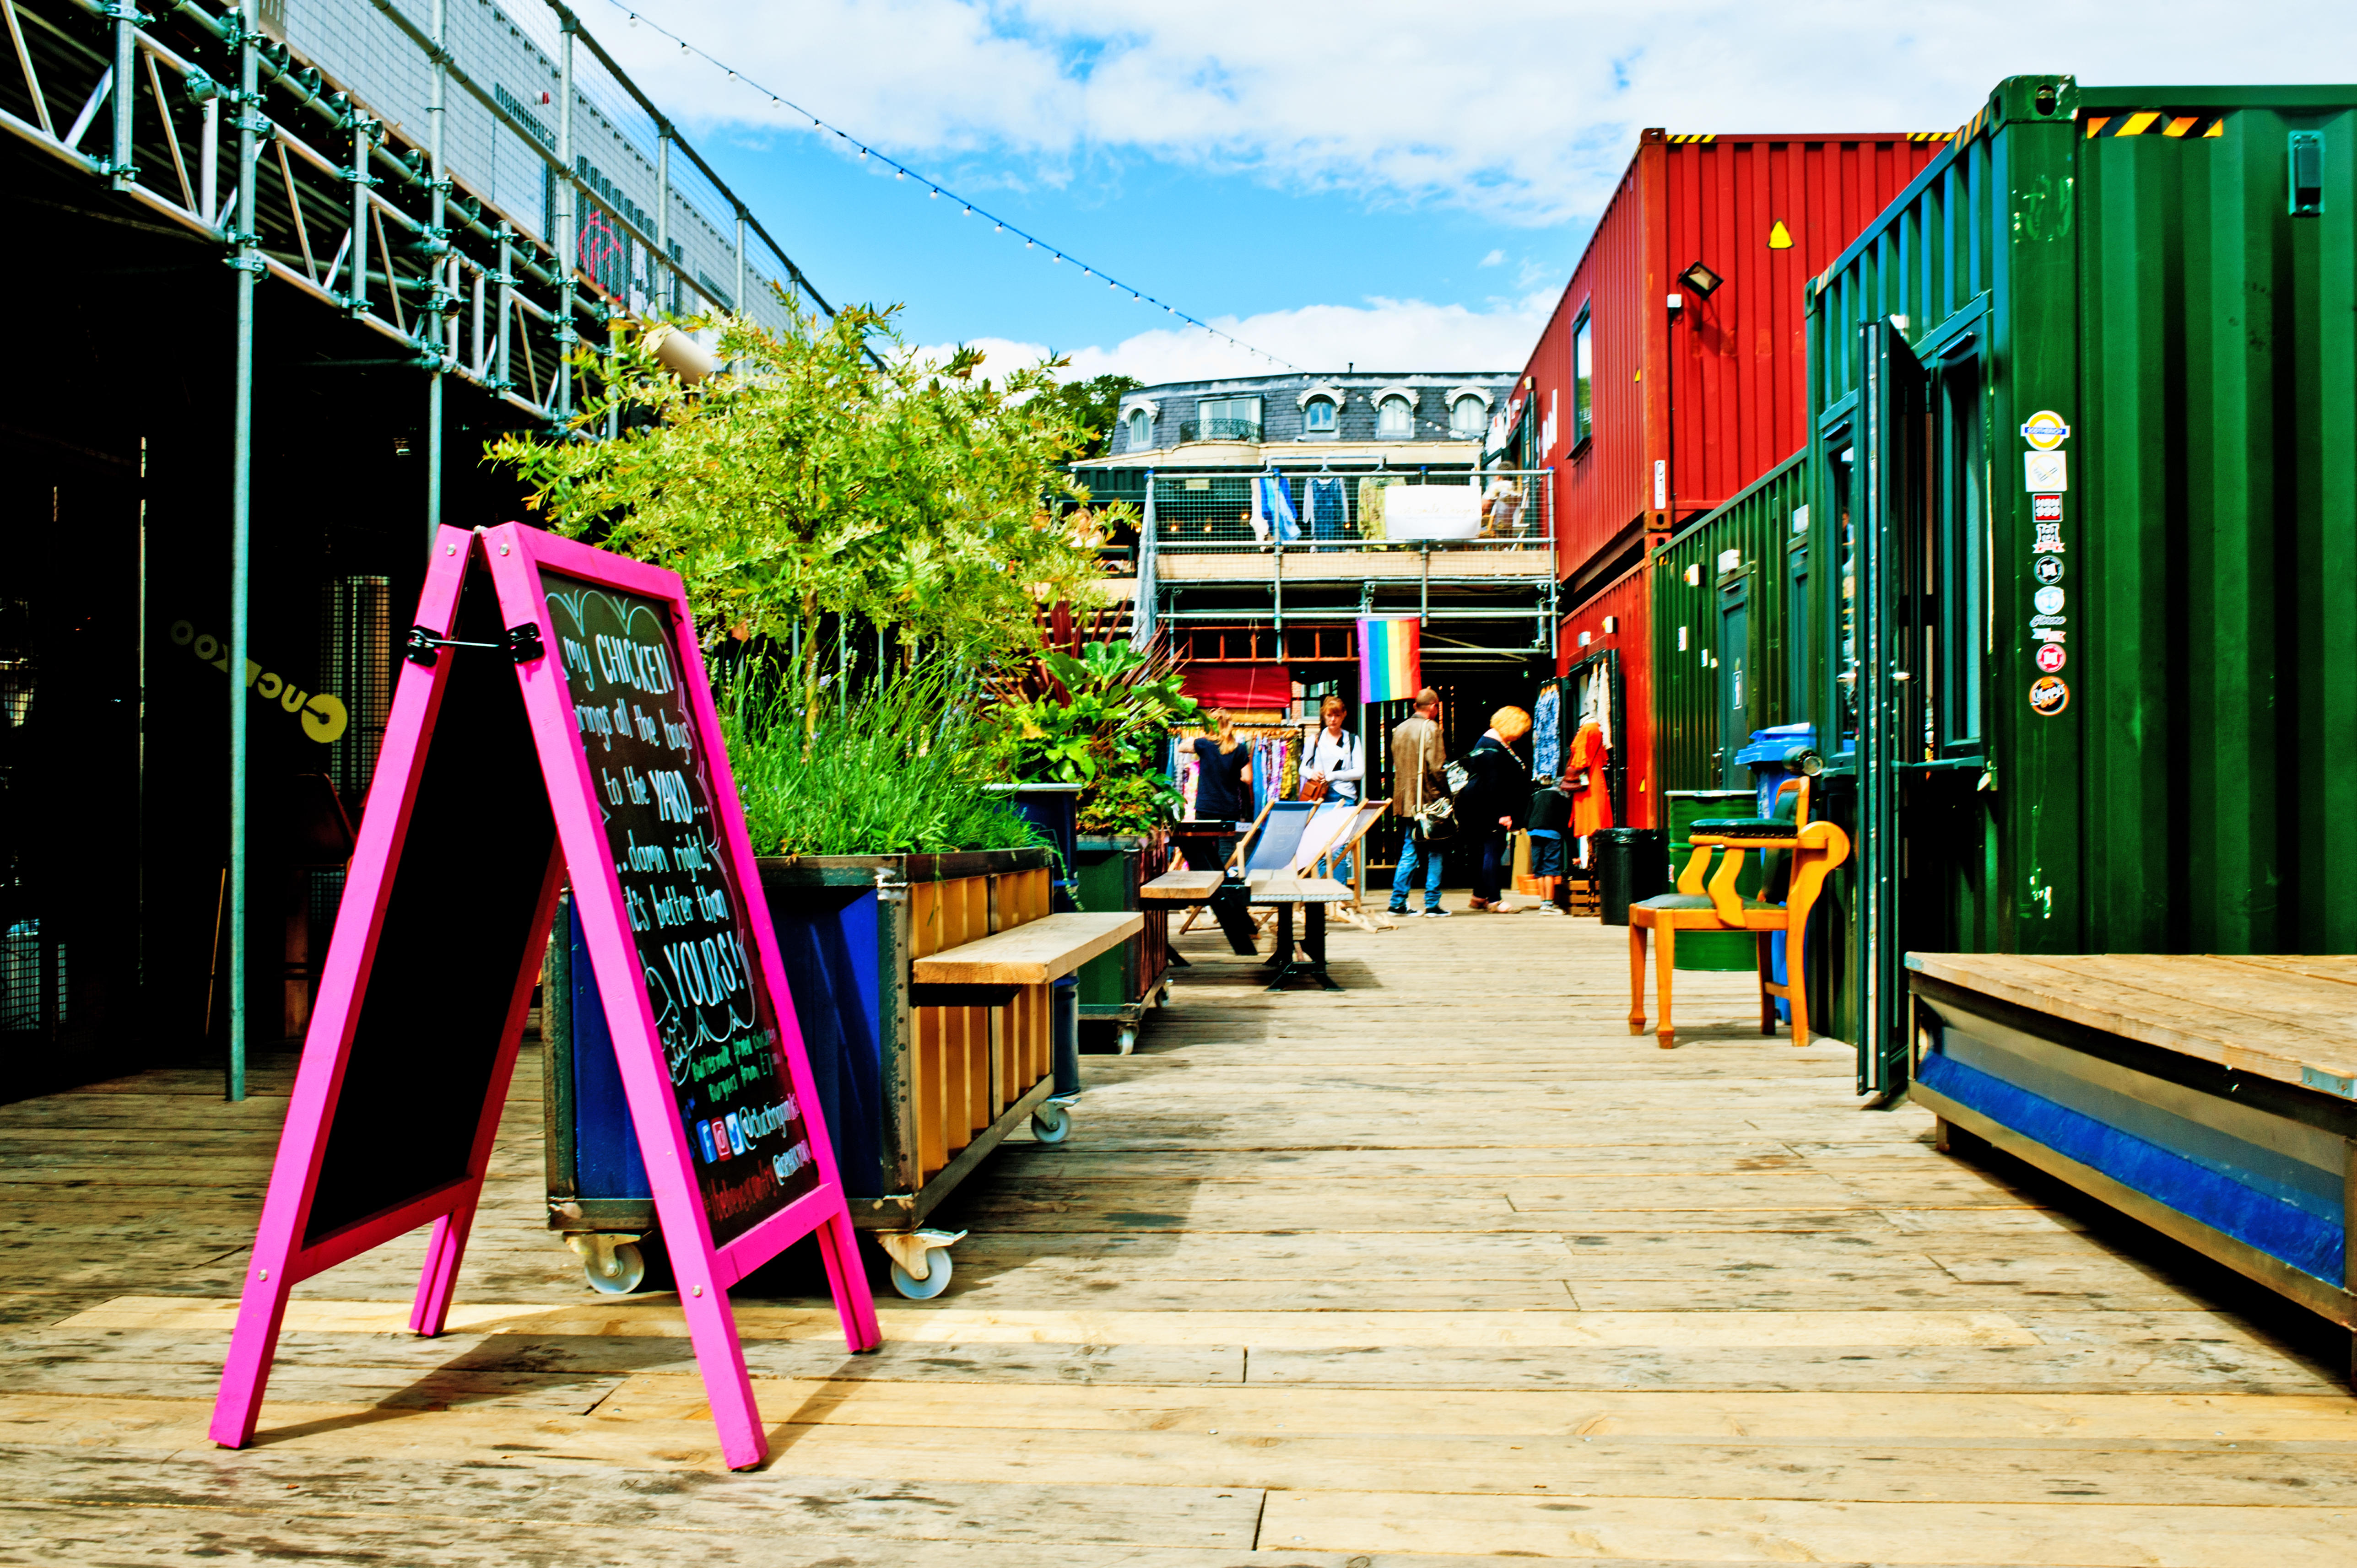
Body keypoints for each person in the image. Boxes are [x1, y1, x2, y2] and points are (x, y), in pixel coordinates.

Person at [1456, 706, 1530, 911]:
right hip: (1491, 810)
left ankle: (1479, 896)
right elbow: (1495, 784)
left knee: (1484, 852)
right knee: (1493, 851)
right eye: (1521, 730)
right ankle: (1495, 900)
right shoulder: (1493, 749)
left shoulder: (1489, 743)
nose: (1521, 735)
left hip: (1480, 806)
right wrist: (1504, 813)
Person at [1387, 688, 1449, 917]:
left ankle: (1397, 902)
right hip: (1427, 801)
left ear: (1415, 706)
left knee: (1409, 849)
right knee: (1436, 850)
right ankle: (1432, 904)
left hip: (1406, 801)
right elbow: (1437, 768)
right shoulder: (1431, 728)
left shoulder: (1400, 729)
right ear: (1433, 707)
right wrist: (1447, 793)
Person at [1300, 695, 1364, 884]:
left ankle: (1338, 892)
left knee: (1338, 846)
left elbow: (1359, 772)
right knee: (1321, 846)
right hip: (1320, 796)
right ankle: (1324, 892)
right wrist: (1312, 774)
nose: (1333, 719)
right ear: (1324, 716)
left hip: (1344, 796)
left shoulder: (1352, 740)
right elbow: (1303, 767)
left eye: (1337, 715)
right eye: (1329, 715)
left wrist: (1334, 775)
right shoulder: (1315, 740)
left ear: (1344, 715)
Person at [1188, 710, 1254, 826]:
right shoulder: (1240, 749)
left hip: (1206, 806)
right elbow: (1248, 779)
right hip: (1229, 808)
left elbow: (1181, 748)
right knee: (1227, 838)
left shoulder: (1203, 744)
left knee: (1205, 838)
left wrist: (1192, 742)